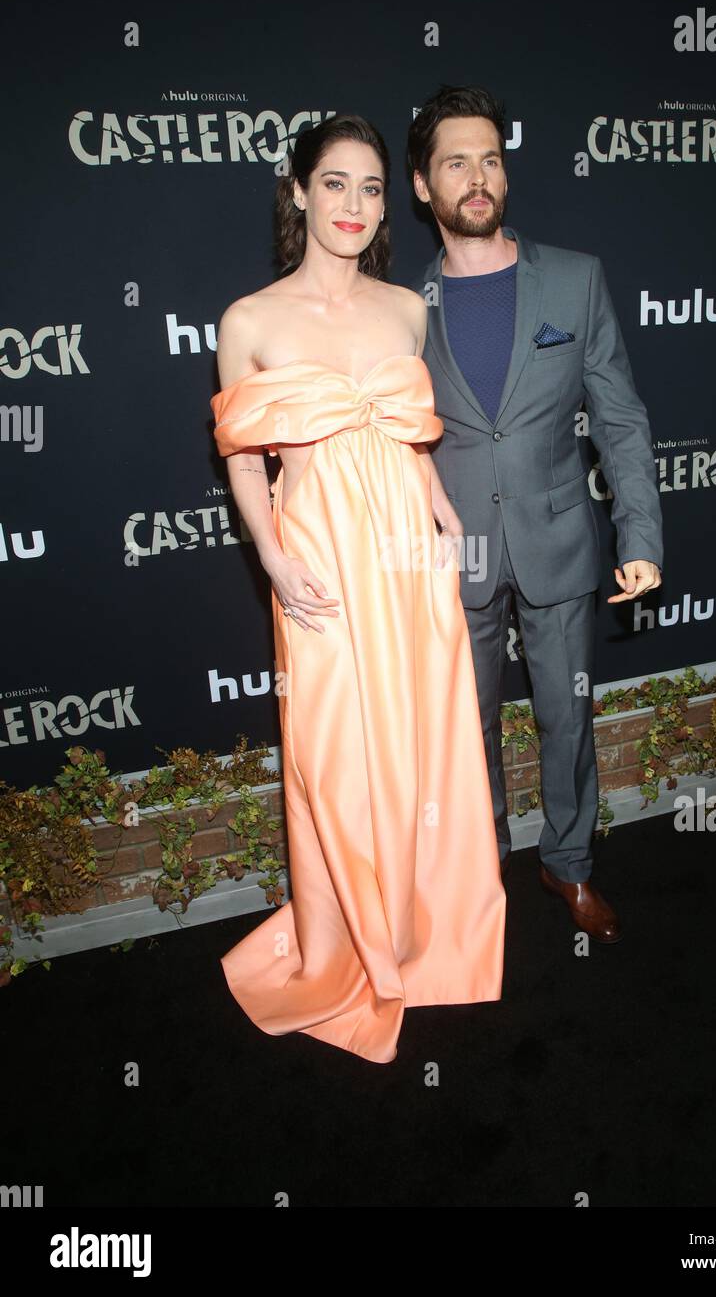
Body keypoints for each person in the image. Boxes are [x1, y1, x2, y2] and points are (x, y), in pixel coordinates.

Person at [210, 114, 505, 1064]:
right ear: (298, 192)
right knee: (337, 762)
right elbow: (246, 463)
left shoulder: (404, 308)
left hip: (407, 559)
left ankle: (422, 942)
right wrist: (272, 559)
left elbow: (409, 435)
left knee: (422, 748)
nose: (354, 205)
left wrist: (442, 512)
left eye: (372, 188)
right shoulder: (249, 321)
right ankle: (348, 952)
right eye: (335, 184)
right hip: (319, 562)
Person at [407, 84, 664, 944]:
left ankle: (569, 865)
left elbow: (620, 416)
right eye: (455, 162)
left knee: (567, 716)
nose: (476, 177)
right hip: (454, 555)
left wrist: (641, 533)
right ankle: (481, 873)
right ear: (421, 186)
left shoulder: (575, 280)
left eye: (489, 158)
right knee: (462, 726)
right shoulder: (404, 312)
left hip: (559, 540)